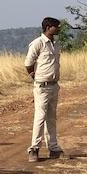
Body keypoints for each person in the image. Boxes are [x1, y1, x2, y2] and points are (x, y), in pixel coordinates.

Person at [24, 17, 63, 162]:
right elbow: (28, 64)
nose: (58, 29)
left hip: (54, 85)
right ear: (48, 27)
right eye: (56, 26)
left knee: (52, 118)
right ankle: (34, 149)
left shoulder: (55, 43)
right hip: (42, 86)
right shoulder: (37, 43)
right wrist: (35, 76)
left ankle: (53, 148)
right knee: (40, 117)